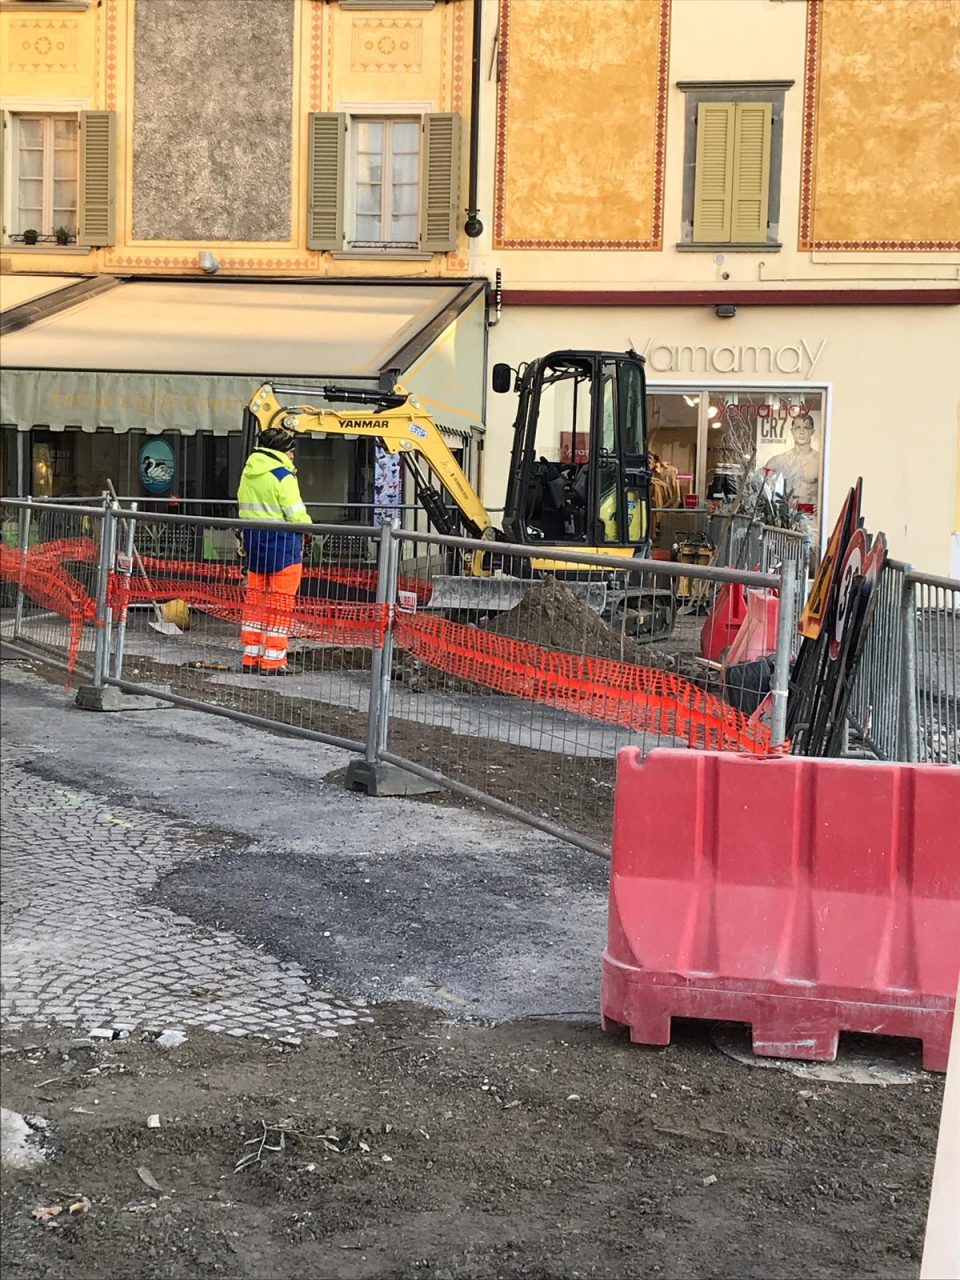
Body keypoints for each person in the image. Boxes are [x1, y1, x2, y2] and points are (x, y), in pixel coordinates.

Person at [237, 426, 311, 675]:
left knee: (255, 602)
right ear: (282, 451)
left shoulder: (249, 472)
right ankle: (273, 661)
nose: (293, 455)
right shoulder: (283, 476)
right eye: (291, 451)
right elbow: (296, 514)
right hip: (283, 543)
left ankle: (251, 657)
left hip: (254, 540)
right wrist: (309, 528)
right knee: (280, 603)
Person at [766, 413, 820, 508]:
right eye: (797, 427)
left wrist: (821, 508)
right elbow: (760, 485)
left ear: (812, 431)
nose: (802, 432)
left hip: (811, 512)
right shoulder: (779, 460)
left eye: (806, 428)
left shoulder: (820, 460)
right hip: (786, 513)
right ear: (792, 431)